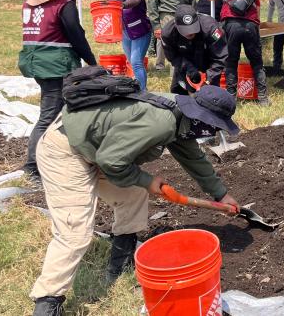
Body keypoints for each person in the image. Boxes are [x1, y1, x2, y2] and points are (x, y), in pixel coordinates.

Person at [30, 84, 241, 316]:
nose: (212, 131)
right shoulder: (163, 121)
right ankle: (47, 301)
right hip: (65, 150)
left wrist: (221, 195)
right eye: (215, 126)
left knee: (133, 193)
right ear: (204, 118)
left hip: (97, 149)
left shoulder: (183, 118)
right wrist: (147, 180)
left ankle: (120, 263)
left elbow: (194, 159)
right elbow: (112, 161)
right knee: (75, 229)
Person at [18, 0, 97, 180]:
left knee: (61, 110)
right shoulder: (63, 4)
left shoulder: (30, 3)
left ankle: (58, 154)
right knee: (49, 114)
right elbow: (75, 33)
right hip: (56, 65)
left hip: (36, 62)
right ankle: (32, 166)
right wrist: (91, 61)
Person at [206, 0, 270, 105]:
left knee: (231, 62)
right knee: (257, 63)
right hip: (251, 26)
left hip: (231, 24)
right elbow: (257, 12)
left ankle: (231, 98)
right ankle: (263, 99)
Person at [162, 4, 228, 94]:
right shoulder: (168, 33)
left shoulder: (211, 29)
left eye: (193, 28)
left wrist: (209, 78)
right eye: (186, 30)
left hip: (208, 62)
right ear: (176, 26)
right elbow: (173, 57)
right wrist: (187, 67)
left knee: (209, 97)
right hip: (184, 63)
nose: (190, 33)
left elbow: (220, 57)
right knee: (178, 96)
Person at [108, 0, 152, 90]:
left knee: (136, 62)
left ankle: (142, 91)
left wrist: (122, 4)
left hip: (140, 32)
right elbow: (110, 5)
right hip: (125, 33)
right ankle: (136, 85)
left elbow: (135, 1)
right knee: (132, 62)